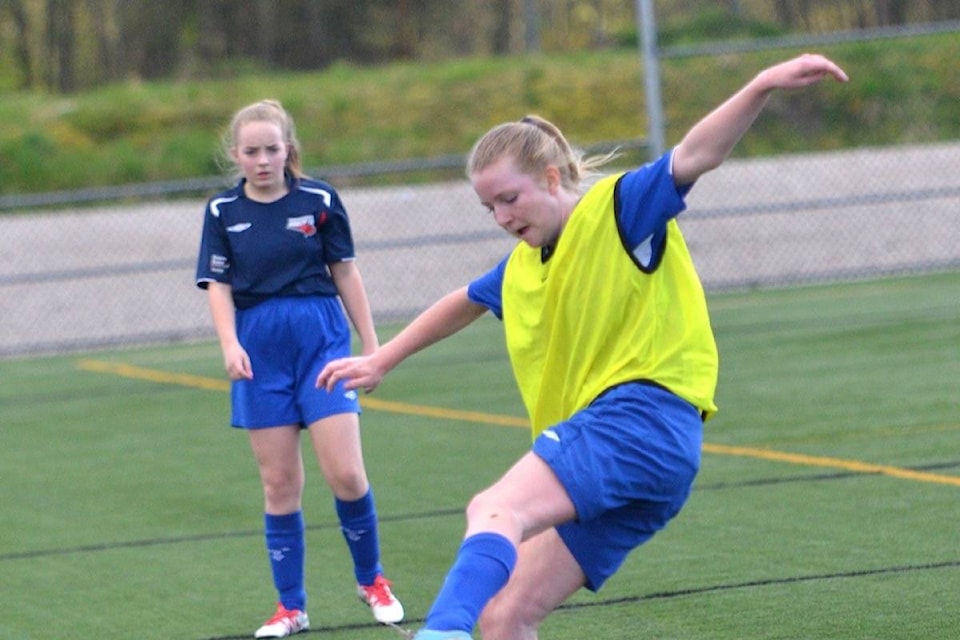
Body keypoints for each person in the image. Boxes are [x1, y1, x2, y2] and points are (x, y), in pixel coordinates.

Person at [317, 54, 848, 640]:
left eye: (509, 198)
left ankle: (441, 630)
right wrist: (383, 357)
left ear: (550, 178)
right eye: (488, 206)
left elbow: (696, 154)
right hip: (650, 462)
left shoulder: (618, 209)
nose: (500, 216)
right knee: (504, 617)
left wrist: (762, 83)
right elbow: (463, 300)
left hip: (639, 420)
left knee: (494, 510)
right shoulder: (522, 265)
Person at [195, 99, 404, 638]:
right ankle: (291, 606)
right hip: (259, 349)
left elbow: (345, 272)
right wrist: (229, 344)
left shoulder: (319, 199)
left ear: (288, 148)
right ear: (236, 155)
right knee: (279, 484)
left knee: (347, 474)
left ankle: (372, 579)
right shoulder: (222, 212)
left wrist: (371, 344)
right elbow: (217, 285)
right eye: (251, 151)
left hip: (321, 343)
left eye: (272, 148)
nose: (263, 160)